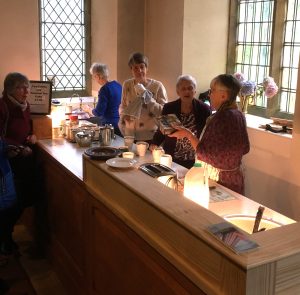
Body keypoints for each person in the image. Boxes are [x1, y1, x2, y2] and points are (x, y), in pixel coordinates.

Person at [170, 74, 250, 194]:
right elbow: (245, 148)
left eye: (212, 91)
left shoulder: (222, 118)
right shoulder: (238, 114)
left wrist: (188, 135)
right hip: (234, 178)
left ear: (223, 96)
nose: (209, 94)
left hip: (219, 180)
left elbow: (204, 153)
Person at [0, 72, 39, 249]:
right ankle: (5, 240)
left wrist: (32, 136)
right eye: (21, 87)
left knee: (23, 199)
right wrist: (19, 147)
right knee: (11, 203)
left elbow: (27, 127)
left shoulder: (25, 106)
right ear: (10, 89)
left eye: (27, 87)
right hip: (7, 163)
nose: (26, 91)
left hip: (23, 160)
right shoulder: (3, 107)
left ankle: (7, 238)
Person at [150, 75, 211, 169]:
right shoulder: (169, 108)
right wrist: (155, 143)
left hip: (195, 159)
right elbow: (162, 130)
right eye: (183, 89)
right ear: (178, 92)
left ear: (195, 91)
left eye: (190, 88)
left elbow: (206, 135)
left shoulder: (204, 109)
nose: (187, 91)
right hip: (172, 157)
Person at [118, 52, 168, 142]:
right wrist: (123, 115)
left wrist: (146, 95)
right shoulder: (127, 84)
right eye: (135, 68)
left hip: (151, 137)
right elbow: (123, 105)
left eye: (142, 67)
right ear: (131, 70)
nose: (139, 71)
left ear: (147, 68)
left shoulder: (157, 86)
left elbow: (164, 113)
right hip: (130, 135)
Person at [83, 63, 122, 135]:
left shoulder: (104, 89)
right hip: (120, 124)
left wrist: (88, 109)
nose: (94, 79)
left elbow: (98, 112)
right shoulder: (117, 85)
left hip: (109, 126)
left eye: (94, 77)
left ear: (98, 76)